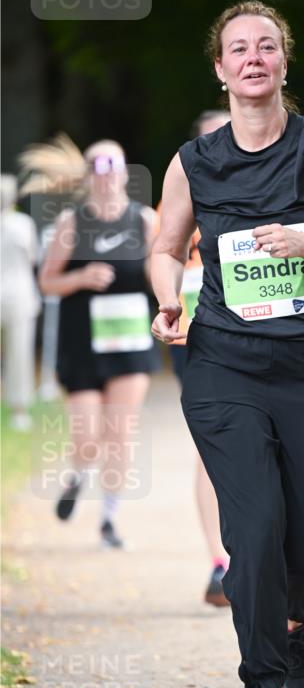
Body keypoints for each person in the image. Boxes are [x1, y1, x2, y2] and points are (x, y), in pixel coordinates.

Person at [151, 0, 304, 688]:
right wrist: (166, 297)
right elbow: (164, 245)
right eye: (238, 49)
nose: (253, 57)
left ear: (283, 63)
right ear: (220, 71)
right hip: (225, 364)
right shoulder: (193, 162)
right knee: (252, 530)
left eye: (266, 46)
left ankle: (294, 621)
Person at [23, 134, 160, 549]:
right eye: (97, 167)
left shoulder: (144, 220)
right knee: (87, 437)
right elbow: (47, 280)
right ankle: (79, 475)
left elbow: (162, 274)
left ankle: (109, 520)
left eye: (113, 165)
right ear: (88, 176)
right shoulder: (72, 222)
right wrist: (81, 278)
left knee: (119, 432)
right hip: (81, 343)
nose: (106, 175)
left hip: (130, 342)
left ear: (124, 172)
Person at [161, 109, 232, 607]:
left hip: (262, 332)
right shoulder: (182, 190)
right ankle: (220, 564)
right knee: (212, 449)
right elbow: (161, 253)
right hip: (198, 338)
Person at [0, 174, 41, 431]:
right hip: (19, 293)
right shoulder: (22, 224)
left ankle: (19, 407)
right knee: (18, 353)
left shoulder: (21, 223)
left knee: (19, 352)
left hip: (19, 294)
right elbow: (33, 256)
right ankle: (19, 408)